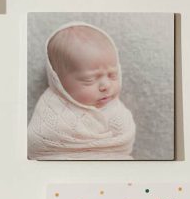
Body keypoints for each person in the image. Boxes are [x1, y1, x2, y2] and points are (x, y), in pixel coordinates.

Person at [28, 23, 136, 160]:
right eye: (89, 80)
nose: (106, 85)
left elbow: (124, 144)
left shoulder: (116, 108)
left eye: (112, 75)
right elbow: (38, 145)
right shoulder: (52, 112)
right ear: (59, 82)